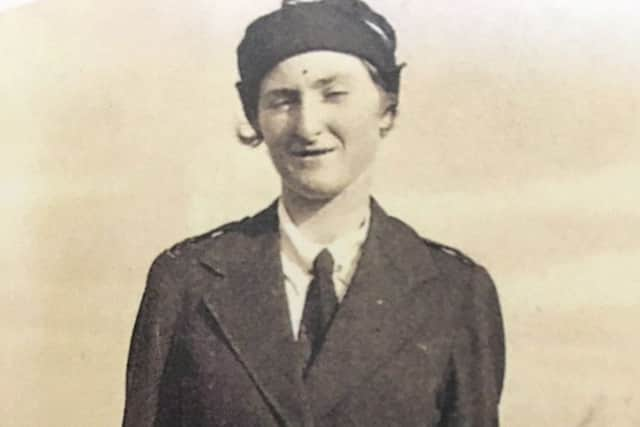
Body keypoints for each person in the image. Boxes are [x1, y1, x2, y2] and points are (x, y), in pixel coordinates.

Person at [122, 1, 505, 426]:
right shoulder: (186, 282)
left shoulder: (453, 294)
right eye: (283, 100)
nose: (307, 125)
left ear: (387, 108)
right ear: (255, 117)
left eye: (334, 94)